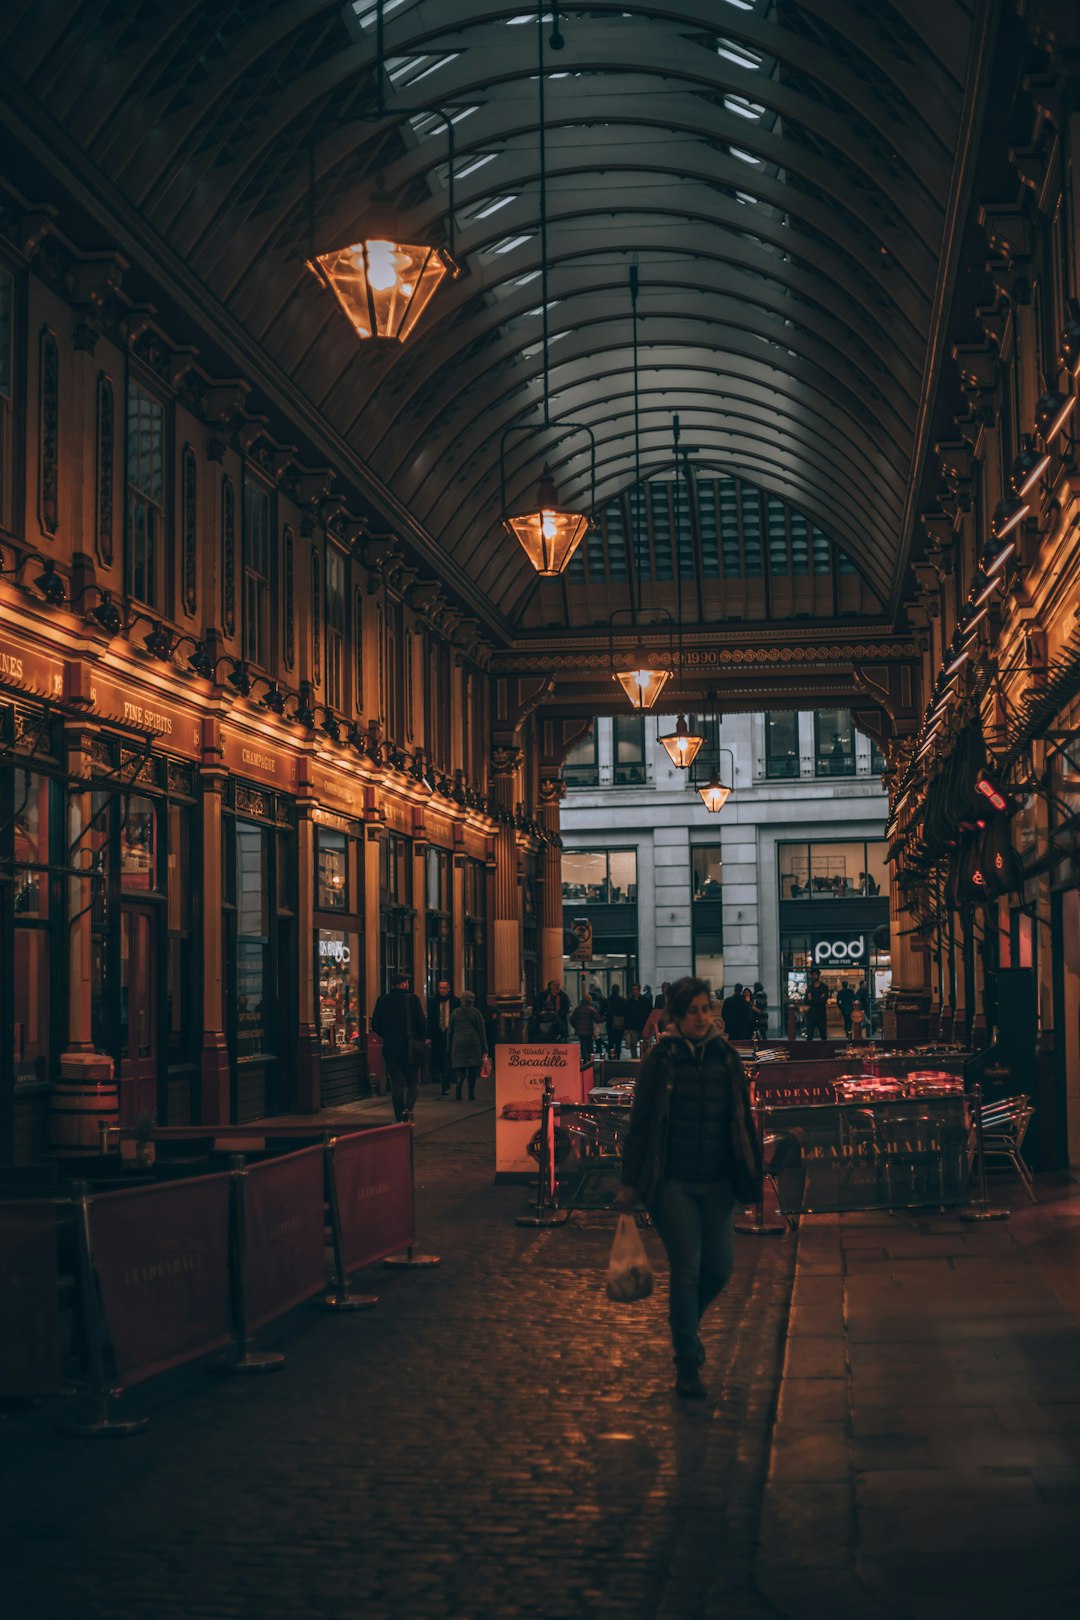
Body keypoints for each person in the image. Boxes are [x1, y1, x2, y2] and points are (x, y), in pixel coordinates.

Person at [614, 977, 762, 1400]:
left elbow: (742, 1119)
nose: (701, 1016)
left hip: (717, 1182)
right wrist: (629, 1183)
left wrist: (749, 1174)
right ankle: (687, 1360)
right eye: (692, 1010)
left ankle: (685, 1326)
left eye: (705, 1008)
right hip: (671, 1182)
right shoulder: (661, 1060)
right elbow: (641, 1125)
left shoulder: (725, 1057)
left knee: (720, 1269)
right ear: (675, 1017)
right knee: (689, 1266)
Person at [371, 973, 427, 1123]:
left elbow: (375, 1024)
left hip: (390, 1048)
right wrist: (421, 1038)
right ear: (403, 984)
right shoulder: (412, 1000)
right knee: (413, 1081)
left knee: (397, 1083)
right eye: (406, 982)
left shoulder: (383, 1000)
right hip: (410, 1047)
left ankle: (398, 1116)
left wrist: (387, 1035)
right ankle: (407, 1110)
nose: (408, 984)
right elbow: (422, 1023)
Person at [447, 989, 488, 1100]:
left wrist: (449, 1046)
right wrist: (485, 1048)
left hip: (458, 1042)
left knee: (460, 1067)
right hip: (473, 1043)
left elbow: (450, 1031)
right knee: (472, 1069)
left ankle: (459, 1083)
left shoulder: (455, 1013)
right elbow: (481, 1031)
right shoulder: (476, 1013)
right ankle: (471, 1092)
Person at [427, 978, 460, 1095]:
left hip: (450, 1032)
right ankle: (442, 1077)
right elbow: (430, 1020)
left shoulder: (455, 1001)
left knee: (447, 1058)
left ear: (449, 989)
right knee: (439, 1058)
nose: (442, 990)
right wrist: (428, 1036)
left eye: (445, 988)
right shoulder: (433, 1002)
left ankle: (446, 1083)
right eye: (440, 987)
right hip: (437, 1033)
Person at [570, 993, 601, 1061]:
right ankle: (590, 1060)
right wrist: (604, 1017)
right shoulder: (591, 1009)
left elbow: (572, 1019)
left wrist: (576, 1027)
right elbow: (597, 1019)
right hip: (589, 1030)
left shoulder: (577, 1009)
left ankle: (584, 1060)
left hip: (580, 1031)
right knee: (590, 1046)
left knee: (583, 1046)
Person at [624, 983, 650, 1058]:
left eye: (636, 989)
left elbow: (649, 1012)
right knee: (633, 1044)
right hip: (633, 1027)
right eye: (633, 990)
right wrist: (626, 1028)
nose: (634, 991)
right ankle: (634, 1058)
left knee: (645, 1045)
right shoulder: (629, 1002)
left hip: (643, 1026)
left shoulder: (645, 1001)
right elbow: (626, 1015)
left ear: (639, 990)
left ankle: (644, 1058)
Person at [805, 967, 829, 1040]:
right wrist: (818, 998)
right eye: (812, 975)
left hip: (821, 1014)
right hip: (811, 1015)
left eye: (815, 974)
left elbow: (823, 1000)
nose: (814, 976)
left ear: (819, 976)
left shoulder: (824, 987)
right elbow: (806, 1001)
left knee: (823, 1036)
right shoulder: (809, 988)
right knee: (809, 1036)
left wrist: (812, 999)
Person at [605, 984, 627, 1057]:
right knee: (618, 1043)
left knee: (611, 1042)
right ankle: (617, 1057)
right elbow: (626, 1012)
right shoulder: (623, 1001)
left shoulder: (607, 1000)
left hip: (610, 1024)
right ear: (618, 990)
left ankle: (610, 1056)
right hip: (620, 1024)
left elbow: (601, 1012)